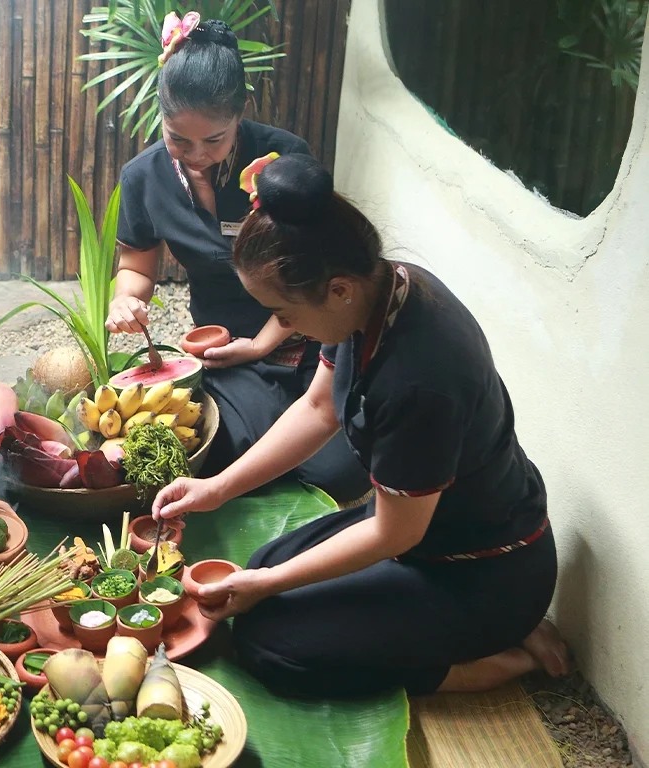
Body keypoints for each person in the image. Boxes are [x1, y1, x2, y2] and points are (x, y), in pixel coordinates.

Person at [150, 152, 568, 698]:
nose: (281, 327)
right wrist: (215, 488)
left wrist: (267, 587)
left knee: (269, 643)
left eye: (285, 314)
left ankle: (493, 659)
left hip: (476, 574)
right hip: (424, 532)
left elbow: (395, 532)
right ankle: (461, 633)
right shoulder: (384, 287)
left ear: (338, 289)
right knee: (261, 565)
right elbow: (320, 407)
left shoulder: (420, 381)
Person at [105, 15, 369, 504]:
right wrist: (126, 301)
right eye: (178, 139)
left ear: (240, 115)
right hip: (226, 348)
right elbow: (137, 267)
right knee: (219, 449)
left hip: (310, 337)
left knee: (339, 473)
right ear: (161, 115)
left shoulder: (284, 161)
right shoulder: (143, 177)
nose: (196, 155)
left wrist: (263, 342)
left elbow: (314, 274)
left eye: (215, 140)